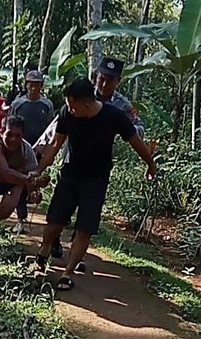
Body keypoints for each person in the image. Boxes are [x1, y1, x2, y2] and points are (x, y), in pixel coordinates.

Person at [32, 78, 155, 291]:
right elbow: (55, 144)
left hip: (96, 180)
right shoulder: (66, 113)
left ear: (87, 104)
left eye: (73, 106)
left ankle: (68, 272)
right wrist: (39, 169)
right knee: (55, 221)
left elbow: (136, 142)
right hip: (69, 174)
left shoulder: (114, 116)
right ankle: (43, 253)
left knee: (84, 228)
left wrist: (150, 165)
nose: (70, 109)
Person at [50, 57, 145, 265]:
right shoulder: (83, 93)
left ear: (117, 81)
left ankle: (76, 255)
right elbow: (60, 124)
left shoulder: (121, 106)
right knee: (60, 210)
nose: (104, 84)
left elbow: (137, 128)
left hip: (97, 167)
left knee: (86, 216)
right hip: (72, 160)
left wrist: (119, 130)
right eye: (101, 78)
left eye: (109, 80)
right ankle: (52, 242)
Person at [0, 115, 49, 222]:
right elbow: (4, 172)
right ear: (1, 132)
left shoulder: (26, 150)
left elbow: (33, 172)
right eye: (9, 134)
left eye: (17, 135)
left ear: (22, 135)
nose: (13, 139)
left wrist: (33, 191)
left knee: (2, 214)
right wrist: (31, 181)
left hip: (15, 184)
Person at [9, 70, 54, 234]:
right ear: (26, 84)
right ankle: (21, 218)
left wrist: (46, 149)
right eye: (31, 84)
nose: (33, 87)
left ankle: (30, 208)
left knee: (33, 183)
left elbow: (51, 129)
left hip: (39, 150)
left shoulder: (46, 105)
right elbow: (10, 124)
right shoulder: (18, 104)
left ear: (41, 86)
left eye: (37, 84)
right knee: (20, 182)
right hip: (19, 149)